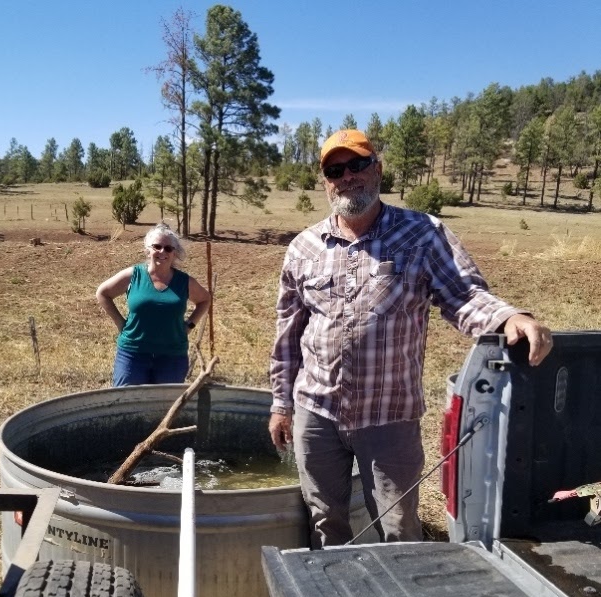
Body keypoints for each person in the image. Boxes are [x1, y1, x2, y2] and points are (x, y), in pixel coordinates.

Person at [268, 129, 553, 549]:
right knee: (326, 521)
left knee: (398, 529)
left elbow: (463, 293)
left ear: (378, 169)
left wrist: (508, 316)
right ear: (326, 181)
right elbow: (288, 335)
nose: (348, 176)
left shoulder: (421, 233)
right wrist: (280, 404)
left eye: (358, 164)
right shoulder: (303, 248)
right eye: (336, 169)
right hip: (317, 413)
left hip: (389, 417)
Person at [96, 223, 210, 386]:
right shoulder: (133, 275)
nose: (162, 252)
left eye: (168, 248)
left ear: (174, 253)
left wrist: (189, 325)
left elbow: (205, 299)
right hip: (133, 354)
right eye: (157, 246)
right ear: (147, 250)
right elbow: (102, 293)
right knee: (126, 402)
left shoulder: (184, 281)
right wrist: (121, 324)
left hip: (172, 356)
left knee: (165, 405)